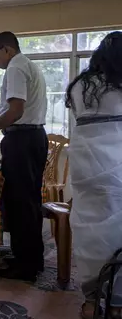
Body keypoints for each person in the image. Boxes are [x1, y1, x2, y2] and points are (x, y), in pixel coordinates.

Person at [0, 31, 48, 282]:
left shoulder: (15, 69)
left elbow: (16, 111)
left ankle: (26, 265)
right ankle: (29, 257)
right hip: (33, 138)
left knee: (20, 203)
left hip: (22, 140)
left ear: (7, 49)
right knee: (26, 201)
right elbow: (4, 109)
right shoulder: (28, 65)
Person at [65, 31, 122, 319]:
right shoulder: (119, 85)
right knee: (117, 233)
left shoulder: (80, 86)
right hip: (118, 171)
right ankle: (116, 303)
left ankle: (89, 299)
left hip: (85, 170)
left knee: (89, 231)